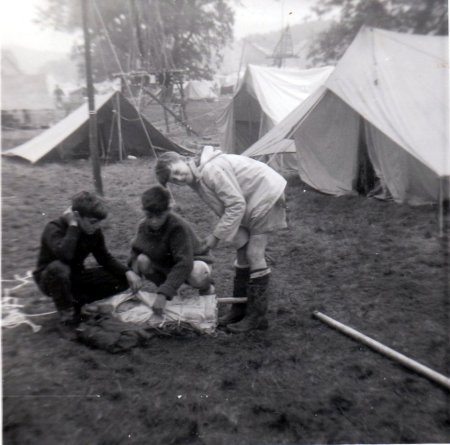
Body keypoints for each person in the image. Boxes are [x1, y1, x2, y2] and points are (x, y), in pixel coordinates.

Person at [155, 146, 288, 333]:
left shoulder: (211, 170)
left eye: (177, 172)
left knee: (254, 254)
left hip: (266, 194)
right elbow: (225, 205)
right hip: (251, 199)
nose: (179, 179)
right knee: (242, 252)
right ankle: (239, 309)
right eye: (173, 180)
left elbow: (235, 204)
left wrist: (216, 237)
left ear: (184, 160)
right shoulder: (196, 178)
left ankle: (257, 317)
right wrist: (236, 237)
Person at [33, 191, 140, 337]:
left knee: (123, 278)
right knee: (59, 268)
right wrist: (73, 226)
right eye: (92, 222)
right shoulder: (54, 227)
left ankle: (78, 305)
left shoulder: (94, 231)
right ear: (77, 216)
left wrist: (128, 272)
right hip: (50, 280)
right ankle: (67, 317)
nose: (96, 226)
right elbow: (65, 256)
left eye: (98, 222)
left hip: (75, 277)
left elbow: (104, 258)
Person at [128, 185, 214, 316]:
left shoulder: (177, 227)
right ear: (144, 212)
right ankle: (169, 292)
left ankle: (206, 289)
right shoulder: (143, 225)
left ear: (168, 210)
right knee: (142, 260)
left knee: (196, 274)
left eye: (159, 216)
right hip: (168, 262)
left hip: (194, 261)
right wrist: (133, 273)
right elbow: (136, 250)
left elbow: (184, 263)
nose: (154, 221)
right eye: (149, 216)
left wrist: (163, 295)